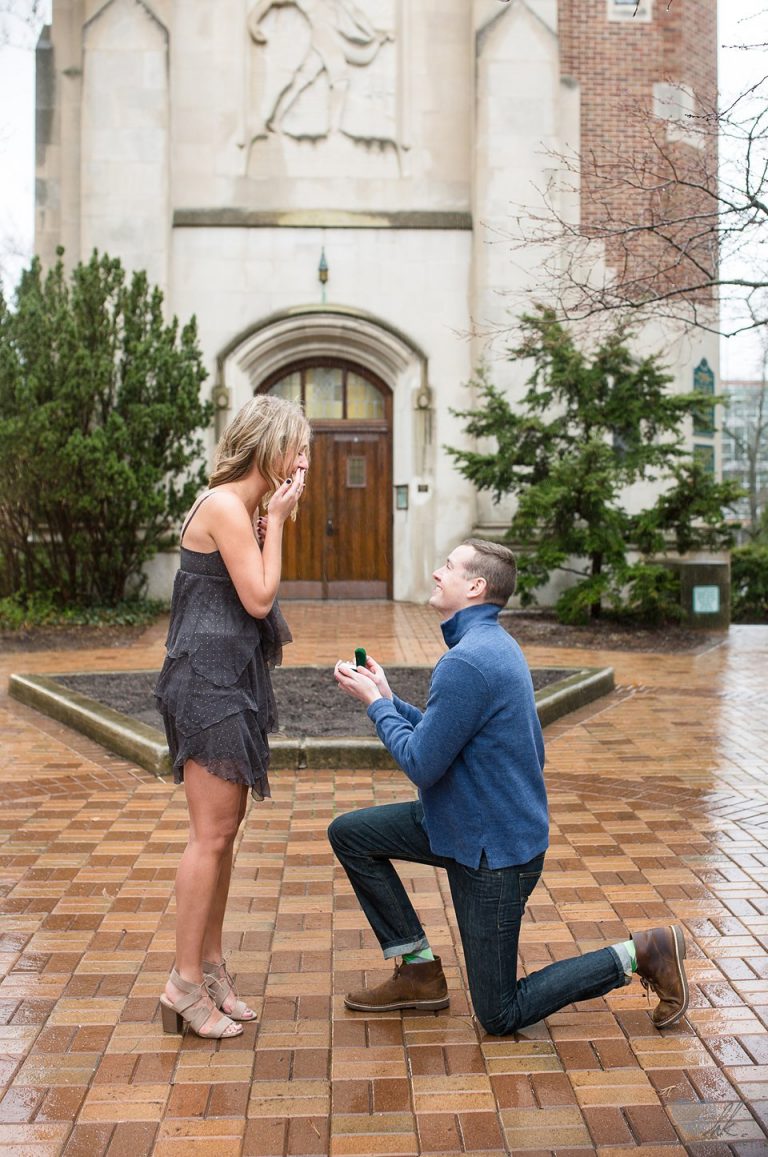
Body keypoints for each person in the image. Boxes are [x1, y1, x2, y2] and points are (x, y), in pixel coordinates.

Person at [329, 539, 689, 1035]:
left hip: (491, 854)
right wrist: (390, 697)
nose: (437, 573)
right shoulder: (493, 645)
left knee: (499, 1014)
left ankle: (642, 953)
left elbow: (421, 762)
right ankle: (417, 972)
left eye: (449, 567)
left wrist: (375, 705)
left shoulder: (467, 661)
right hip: (463, 823)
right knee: (351, 834)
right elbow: (446, 734)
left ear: (475, 586)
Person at [155, 395, 310, 1039]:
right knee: (209, 836)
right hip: (207, 685)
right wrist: (279, 519)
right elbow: (260, 597)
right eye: (297, 450)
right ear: (269, 448)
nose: (304, 463)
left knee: (225, 832)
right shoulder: (224, 504)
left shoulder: (241, 508)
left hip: (229, 682)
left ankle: (210, 967)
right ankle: (182, 987)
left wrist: (272, 521)